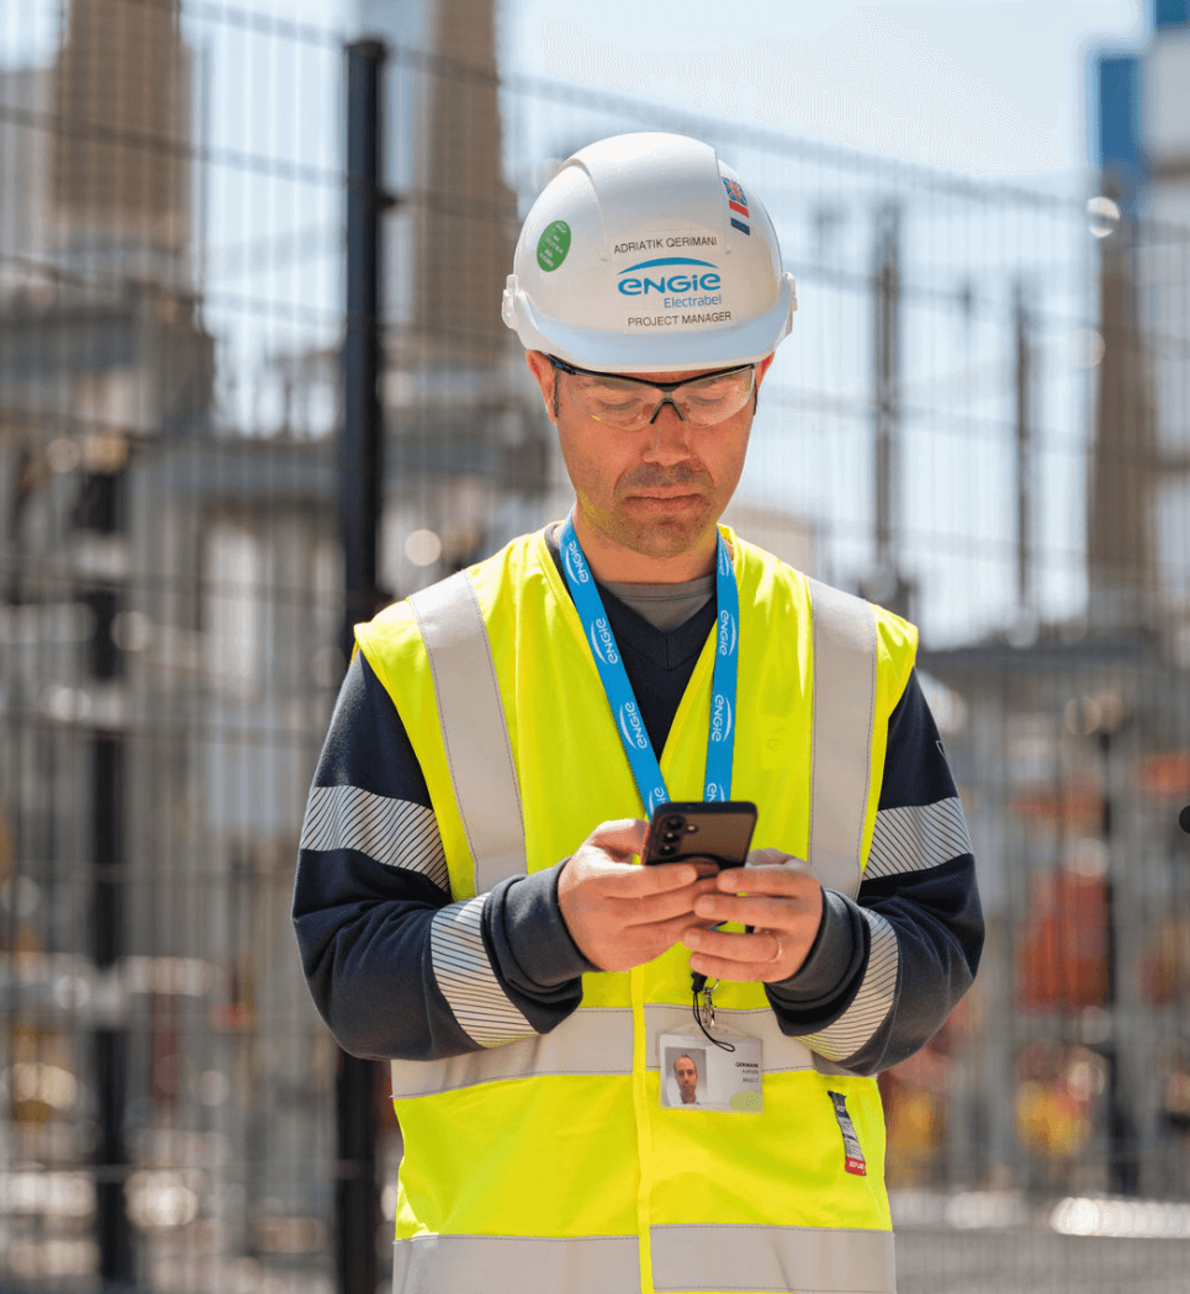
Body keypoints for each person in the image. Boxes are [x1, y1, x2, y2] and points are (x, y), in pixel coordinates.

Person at [293, 133, 982, 1294]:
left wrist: (822, 950)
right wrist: (542, 928)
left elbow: (932, 967)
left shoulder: (857, 664)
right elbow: (350, 981)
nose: (667, 439)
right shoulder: (422, 661)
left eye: (706, 391)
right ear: (543, 376)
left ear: (760, 374)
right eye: (620, 396)